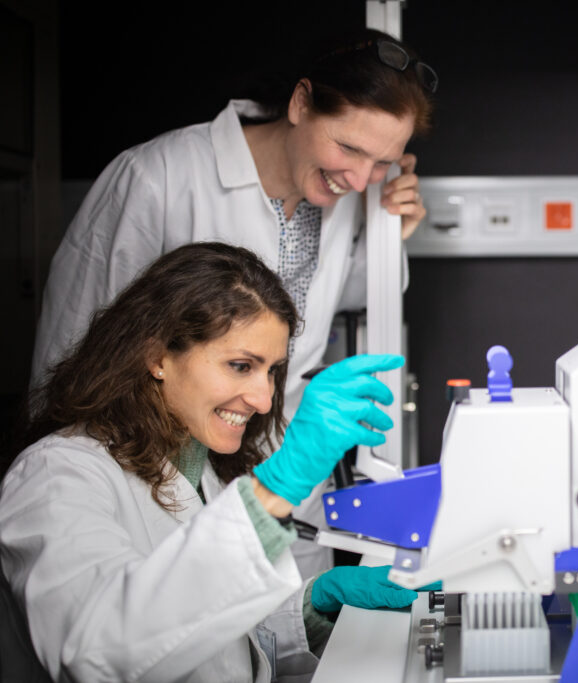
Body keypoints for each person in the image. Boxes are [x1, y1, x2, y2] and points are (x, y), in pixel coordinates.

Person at [30, 28, 437, 578]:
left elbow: (321, 308)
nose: (361, 178)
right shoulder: (160, 177)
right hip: (157, 478)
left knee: (288, 641)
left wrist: (391, 237)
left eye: (384, 162)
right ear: (300, 103)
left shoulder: (345, 198)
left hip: (285, 472)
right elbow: (75, 346)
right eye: (348, 148)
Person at [1, 243, 419, 682]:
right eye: (241, 366)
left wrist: (316, 606)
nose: (263, 400)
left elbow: (219, 644)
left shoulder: (201, 466)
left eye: (272, 371)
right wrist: (273, 492)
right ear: (157, 357)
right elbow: (99, 651)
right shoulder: (56, 476)